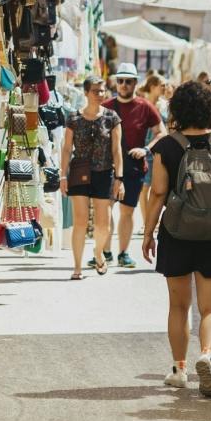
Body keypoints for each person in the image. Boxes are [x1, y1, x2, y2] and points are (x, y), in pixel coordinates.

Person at [140, 82, 211, 397]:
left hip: (176, 231)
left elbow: (159, 192)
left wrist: (148, 232)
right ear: (209, 109)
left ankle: (179, 368)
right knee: (210, 307)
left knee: (178, 306)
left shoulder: (166, 146)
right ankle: (207, 353)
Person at [58, 77, 122, 279]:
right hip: (79, 172)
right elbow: (67, 149)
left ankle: (98, 252)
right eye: (96, 91)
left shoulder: (112, 118)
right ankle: (77, 267)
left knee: (103, 223)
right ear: (86, 93)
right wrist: (62, 175)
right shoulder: (74, 118)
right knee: (80, 221)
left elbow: (116, 150)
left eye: (103, 91)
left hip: (104, 172)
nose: (101, 95)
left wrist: (119, 177)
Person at [105, 63, 163, 268]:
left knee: (127, 211)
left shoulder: (145, 106)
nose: (123, 85)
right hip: (109, 166)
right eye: (120, 80)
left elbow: (161, 132)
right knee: (106, 209)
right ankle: (105, 251)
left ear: (135, 83)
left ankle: (122, 253)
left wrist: (146, 149)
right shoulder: (106, 106)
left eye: (128, 81)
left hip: (134, 166)